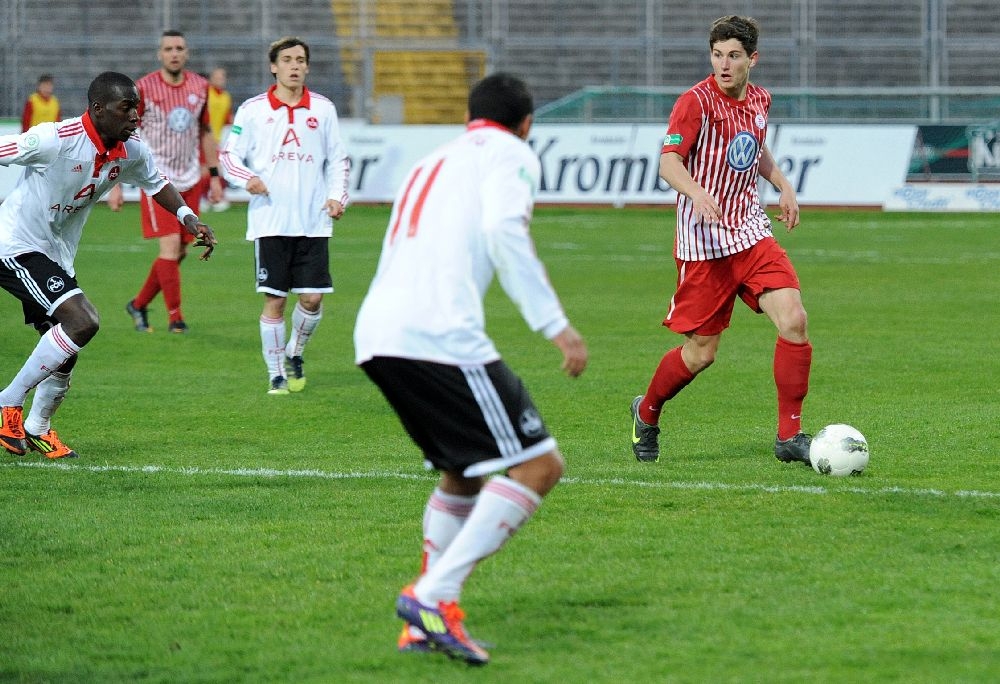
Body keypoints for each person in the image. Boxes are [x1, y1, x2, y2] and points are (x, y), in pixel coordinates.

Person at [354, 73, 588, 665]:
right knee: (539, 464)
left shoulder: (431, 159)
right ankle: (432, 596)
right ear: (526, 124)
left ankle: (425, 624)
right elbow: (503, 229)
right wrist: (555, 324)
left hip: (378, 333)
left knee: (463, 471)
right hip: (439, 335)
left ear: (469, 117)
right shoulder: (511, 153)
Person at [0, 72, 217, 459]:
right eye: (126, 107)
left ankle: (38, 427)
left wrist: (189, 218)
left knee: (66, 347)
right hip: (15, 245)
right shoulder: (55, 139)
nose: (135, 115)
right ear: (98, 109)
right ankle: (8, 403)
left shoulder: (131, 149)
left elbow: (156, 183)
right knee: (83, 322)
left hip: (56, 254)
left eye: (137, 107)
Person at [629, 15, 812, 466]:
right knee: (701, 354)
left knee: (793, 320)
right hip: (704, 246)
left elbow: (755, 146)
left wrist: (782, 183)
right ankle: (647, 411)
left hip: (750, 232)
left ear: (753, 59)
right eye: (716, 55)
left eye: (733, 56)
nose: (723, 65)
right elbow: (668, 163)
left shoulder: (760, 99)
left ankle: (789, 436)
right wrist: (696, 192)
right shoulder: (694, 103)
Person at [219, 36, 350, 395]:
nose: (295, 65)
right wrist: (248, 178)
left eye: (300, 60)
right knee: (275, 300)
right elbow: (229, 155)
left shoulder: (323, 109)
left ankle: (295, 351)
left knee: (312, 299)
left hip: (313, 221)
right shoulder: (252, 110)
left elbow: (338, 159)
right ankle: (276, 373)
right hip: (271, 220)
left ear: (307, 67)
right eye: (288, 59)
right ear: (273, 66)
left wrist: (337, 196)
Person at [109, 30, 223, 334]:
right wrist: (115, 183)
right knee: (170, 248)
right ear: (160, 54)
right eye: (169, 48)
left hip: (190, 179)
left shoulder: (200, 87)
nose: (174, 53)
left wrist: (214, 176)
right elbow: (122, 131)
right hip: (156, 180)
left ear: (187, 53)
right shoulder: (143, 89)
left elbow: (205, 131)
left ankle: (138, 304)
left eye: (179, 48)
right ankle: (176, 319)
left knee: (181, 251)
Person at [204, 67, 233, 212]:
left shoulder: (226, 97)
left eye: (222, 77)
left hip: (218, 138)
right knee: (206, 169)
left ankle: (214, 197)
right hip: (204, 137)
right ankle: (208, 198)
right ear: (211, 79)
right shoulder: (206, 93)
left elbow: (227, 119)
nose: (220, 80)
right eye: (217, 77)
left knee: (216, 169)